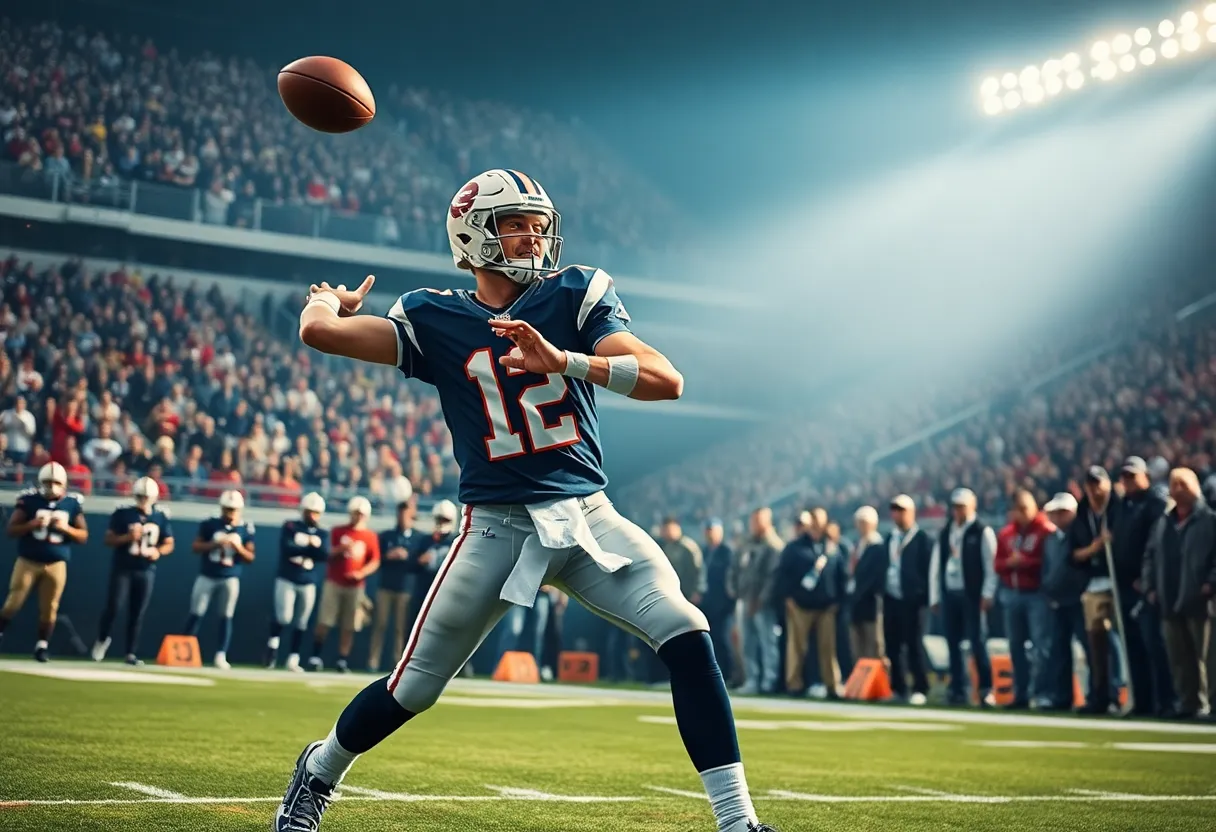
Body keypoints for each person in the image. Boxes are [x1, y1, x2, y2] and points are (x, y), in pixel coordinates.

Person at [275, 169, 777, 832]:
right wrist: (322, 300)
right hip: (497, 530)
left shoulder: (574, 295)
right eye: (516, 222)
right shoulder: (436, 315)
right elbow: (322, 334)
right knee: (413, 689)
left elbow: (665, 379)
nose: (533, 235)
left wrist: (567, 361)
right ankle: (320, 769)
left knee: (687, 632)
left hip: (589, 517)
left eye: (538, 223)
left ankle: (738, 823)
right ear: (473, 233)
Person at [1142, 468, 1216, 718]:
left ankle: (1212, 704)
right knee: (1179, 657)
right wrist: (1149, 586)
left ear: (1195, 486)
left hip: (1201, 598)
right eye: (1174, 484)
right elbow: (1150, 555)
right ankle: (1188, 703)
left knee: (1209, 656)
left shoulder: (1209, 519)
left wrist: (1211, 582)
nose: (1178, 488)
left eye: (1183, 483)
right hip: (1169, 595)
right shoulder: (1164, 522)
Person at [0, 462, 88, 661]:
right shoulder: (29, 500)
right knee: (13, 602)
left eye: (56, 482)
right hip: (28, 561)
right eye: (47, 482)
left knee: (50, 608)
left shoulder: (72, 503)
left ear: (64, 483)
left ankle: (42, 646)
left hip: (56, 563)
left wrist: (66, 529)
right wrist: (32, 524)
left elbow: (83, 536)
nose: (51, 486)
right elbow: (12, 530)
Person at [92, 477, 174, 665]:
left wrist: (158, 552)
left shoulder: (160, 516)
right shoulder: (123, 513)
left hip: (145, 570)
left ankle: (130, 652)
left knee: (137, 613)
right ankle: (103, 639)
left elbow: (169, 543)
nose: (144, 499)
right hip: (123, 567)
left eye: (147, 496)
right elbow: (108, 539)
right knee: (113, 607)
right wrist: (127, 537)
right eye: (140, 496)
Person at [928, 488, 998, 707]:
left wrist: (988, 592)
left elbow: (991, 564)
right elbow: (936, 565)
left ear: (972, 505)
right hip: (950, 593)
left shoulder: (981, 530)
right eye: (955, 506)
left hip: (972, 594)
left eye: (962, 506)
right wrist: (935, 595)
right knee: (953, 643)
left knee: (978, 642)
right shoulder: (947, 531)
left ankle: (986, 688)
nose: (958, 511)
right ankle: (957, 688)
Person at [993, 489, 1053, 710]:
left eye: (1026, 509)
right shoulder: (1007, 534)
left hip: (1036, 593)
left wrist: (1024, 562)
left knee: (1041, 646)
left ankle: (1042, 693)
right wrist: (1010, 563)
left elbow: (1048, 562)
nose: (1022, 514)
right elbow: (997, 564)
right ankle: (1021, 693)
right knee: (1016, 646)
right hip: (1012, 592)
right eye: (1018, 510)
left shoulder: (1045, 530)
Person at [184, 489, 255, 669]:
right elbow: (195, 546)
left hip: (230, 577)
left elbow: (250, 557)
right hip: (207, 575)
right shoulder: (210, 523)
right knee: (196, 612)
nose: (230, 513)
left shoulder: (245, 528)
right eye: (227, 509)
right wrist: (215, 544)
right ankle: (184, 650)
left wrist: (238, 548)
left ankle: (221, 654)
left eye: (233, 509)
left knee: (226, 616)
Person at [310, 496, 380, 674]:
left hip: (355, 585)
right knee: (325, 620)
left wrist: (361, 573)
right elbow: (327, 553)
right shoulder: (338, 531)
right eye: (356, 513)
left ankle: (342, 659)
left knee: (349, 624)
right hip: (334, 581)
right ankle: (315, 656)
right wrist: (341, 550)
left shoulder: (369, 536)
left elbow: (374, 561)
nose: (358, 517)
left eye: (361, 514)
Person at [1039, 492, 1090, 711]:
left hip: (1077, 598)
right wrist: (1048, 592)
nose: (1058, 517)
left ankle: (1100, 694)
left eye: (1063, 512)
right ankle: (1061, 696)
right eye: (1055, 513)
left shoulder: (1080, 535)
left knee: (1089, 648)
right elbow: (1047, 569)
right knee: (1059, 650)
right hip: (1057, 600)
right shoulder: (1051, 539)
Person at [267, 492, 329, 671]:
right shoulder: (291, 526)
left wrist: (304, 549)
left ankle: (294, 658)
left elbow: (324, 555)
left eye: (316, 512)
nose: (313, 516)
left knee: (302, 621)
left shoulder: (322, 532)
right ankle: (273, 646)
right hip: (287, 576)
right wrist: (310, 547)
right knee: (283, 617)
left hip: (307, 580)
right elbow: (287, 549)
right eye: (310, 511)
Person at [883, 494, 933, 706]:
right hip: (892, 598)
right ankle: (898, 687)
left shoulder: (923, 540)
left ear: (912, 513)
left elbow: (929, 571)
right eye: (895, 510)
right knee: (892, 646)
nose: (897, 514)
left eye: (902, 510)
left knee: (914, 644)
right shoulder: (889, 539)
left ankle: (920, 686)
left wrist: (924, 595)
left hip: (914, 601)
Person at [728, 507, 783, 695]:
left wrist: (761, 600)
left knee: (768, 642)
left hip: (762, 604)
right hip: (744, 600)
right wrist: (734, 589)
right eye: (753, 521)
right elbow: (734, 568)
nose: (754, 525)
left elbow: (773, 577)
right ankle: (752, 679)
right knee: (747, 643)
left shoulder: (773, 545)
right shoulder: (746, 544)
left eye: (758, 521)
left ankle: (770, 681)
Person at [369, 496, 418, 674]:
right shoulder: (387, 536)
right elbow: (377, 559)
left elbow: (418, 562)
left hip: (405, 588)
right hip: (385, 586)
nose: (403, 516)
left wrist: (407, 557)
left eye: (406, 513)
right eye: (401, 513)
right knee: (379, 624)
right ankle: (372, 662)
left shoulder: (417, 538)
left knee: (400, 628)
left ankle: (398, 663)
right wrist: (389, 556)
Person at [846, 506, 887, 663]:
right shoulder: (858, 546)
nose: (860, 526)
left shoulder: (878, 546)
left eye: (864, 522)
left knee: (874, 645)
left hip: (871, 603)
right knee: (858, 646)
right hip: (856, 603)